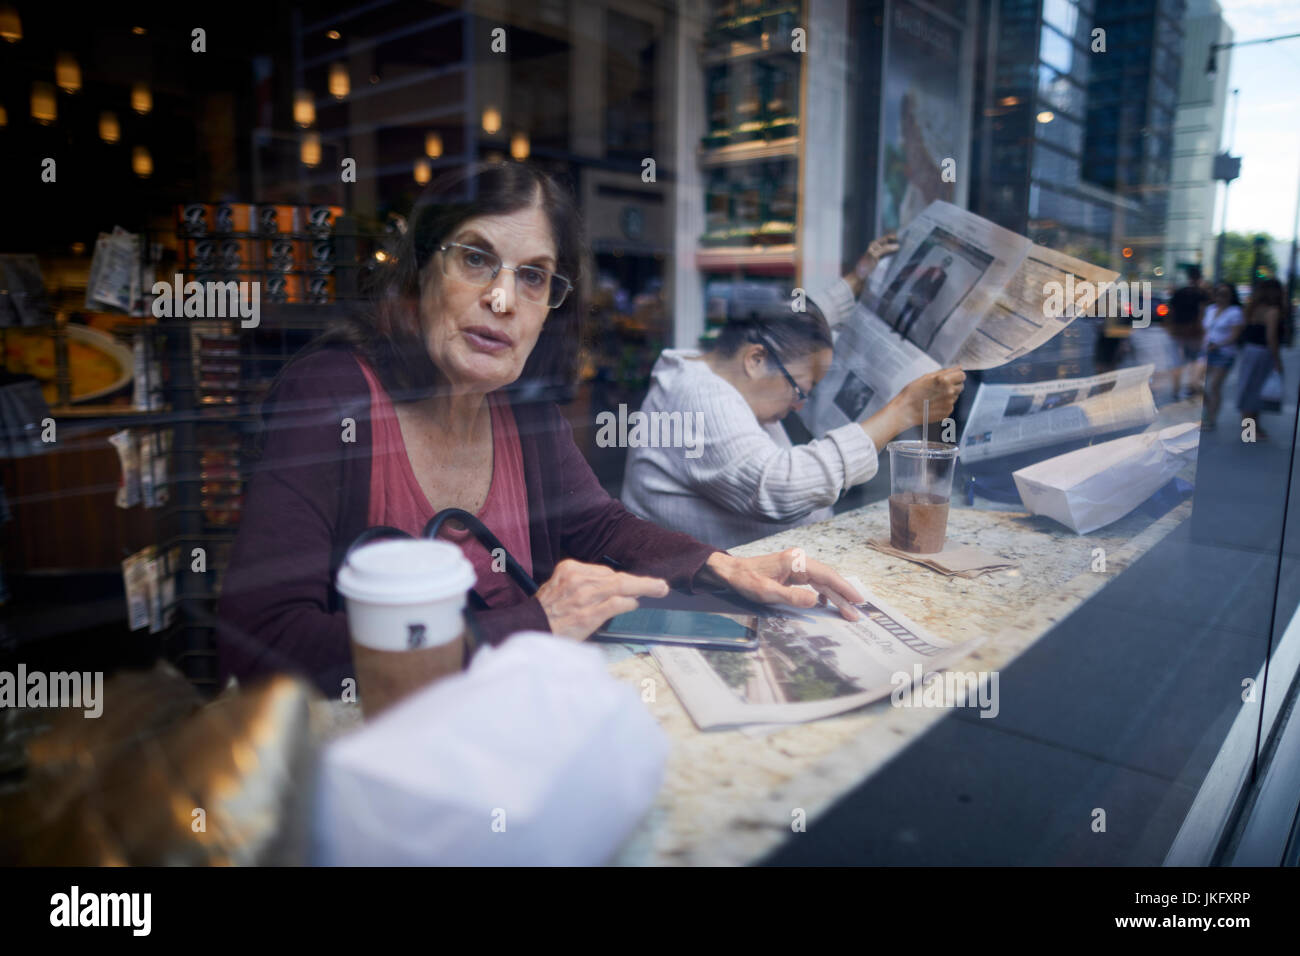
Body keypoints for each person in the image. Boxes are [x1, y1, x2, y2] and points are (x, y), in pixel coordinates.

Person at [216, 162, 866, 695]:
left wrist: (726, 568)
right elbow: (261, 641)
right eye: (475, 259)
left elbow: (601, 526)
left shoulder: (522, 410)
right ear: (420, 273)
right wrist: (532, 623)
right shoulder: (333, 394)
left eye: (532, 277)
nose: (502, 299)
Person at [620, 244, 965, 549]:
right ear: (756, 360)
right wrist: (900, 412)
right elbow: (778, 486)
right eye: (800, 389)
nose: (798, 405)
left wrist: (855, 282)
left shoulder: (718, 365)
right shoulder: (700, 398)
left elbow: (787, 328)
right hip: (697, 601)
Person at [1236, 278, 1286, 438]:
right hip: (1262, 353)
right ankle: (1250, 432)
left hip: (1250, 350)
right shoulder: (1273, 311)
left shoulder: (1253, 308)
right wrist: (1277, 360)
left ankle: (1251, 428)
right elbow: (1271, 337)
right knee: (1256, 391)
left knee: (1250, 388)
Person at [1200, 281, 1244, 431]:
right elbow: (1205, 329)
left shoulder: (1235, 312)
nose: (1221, 297)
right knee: (1197, 384)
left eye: (1225, 294)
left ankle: (1211, 419)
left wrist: (1218, 345)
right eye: (1218, 293)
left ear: (1231, 296)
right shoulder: (1211, 309)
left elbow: (1235, 335)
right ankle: (1206, 411)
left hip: (1224, 353)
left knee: (1214, 386)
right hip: (1206, 350)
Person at [1167, 265, 1209, 400]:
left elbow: (1171, 312)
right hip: (1194, 333)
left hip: (1178, 331)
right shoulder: (1201, 294)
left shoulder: (1179, 292)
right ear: (1198, 278)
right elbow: (1203, 313)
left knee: (1177, 362)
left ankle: (1176, 390)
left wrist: (1171, 328)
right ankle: (1190, 387)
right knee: (1193, 361)